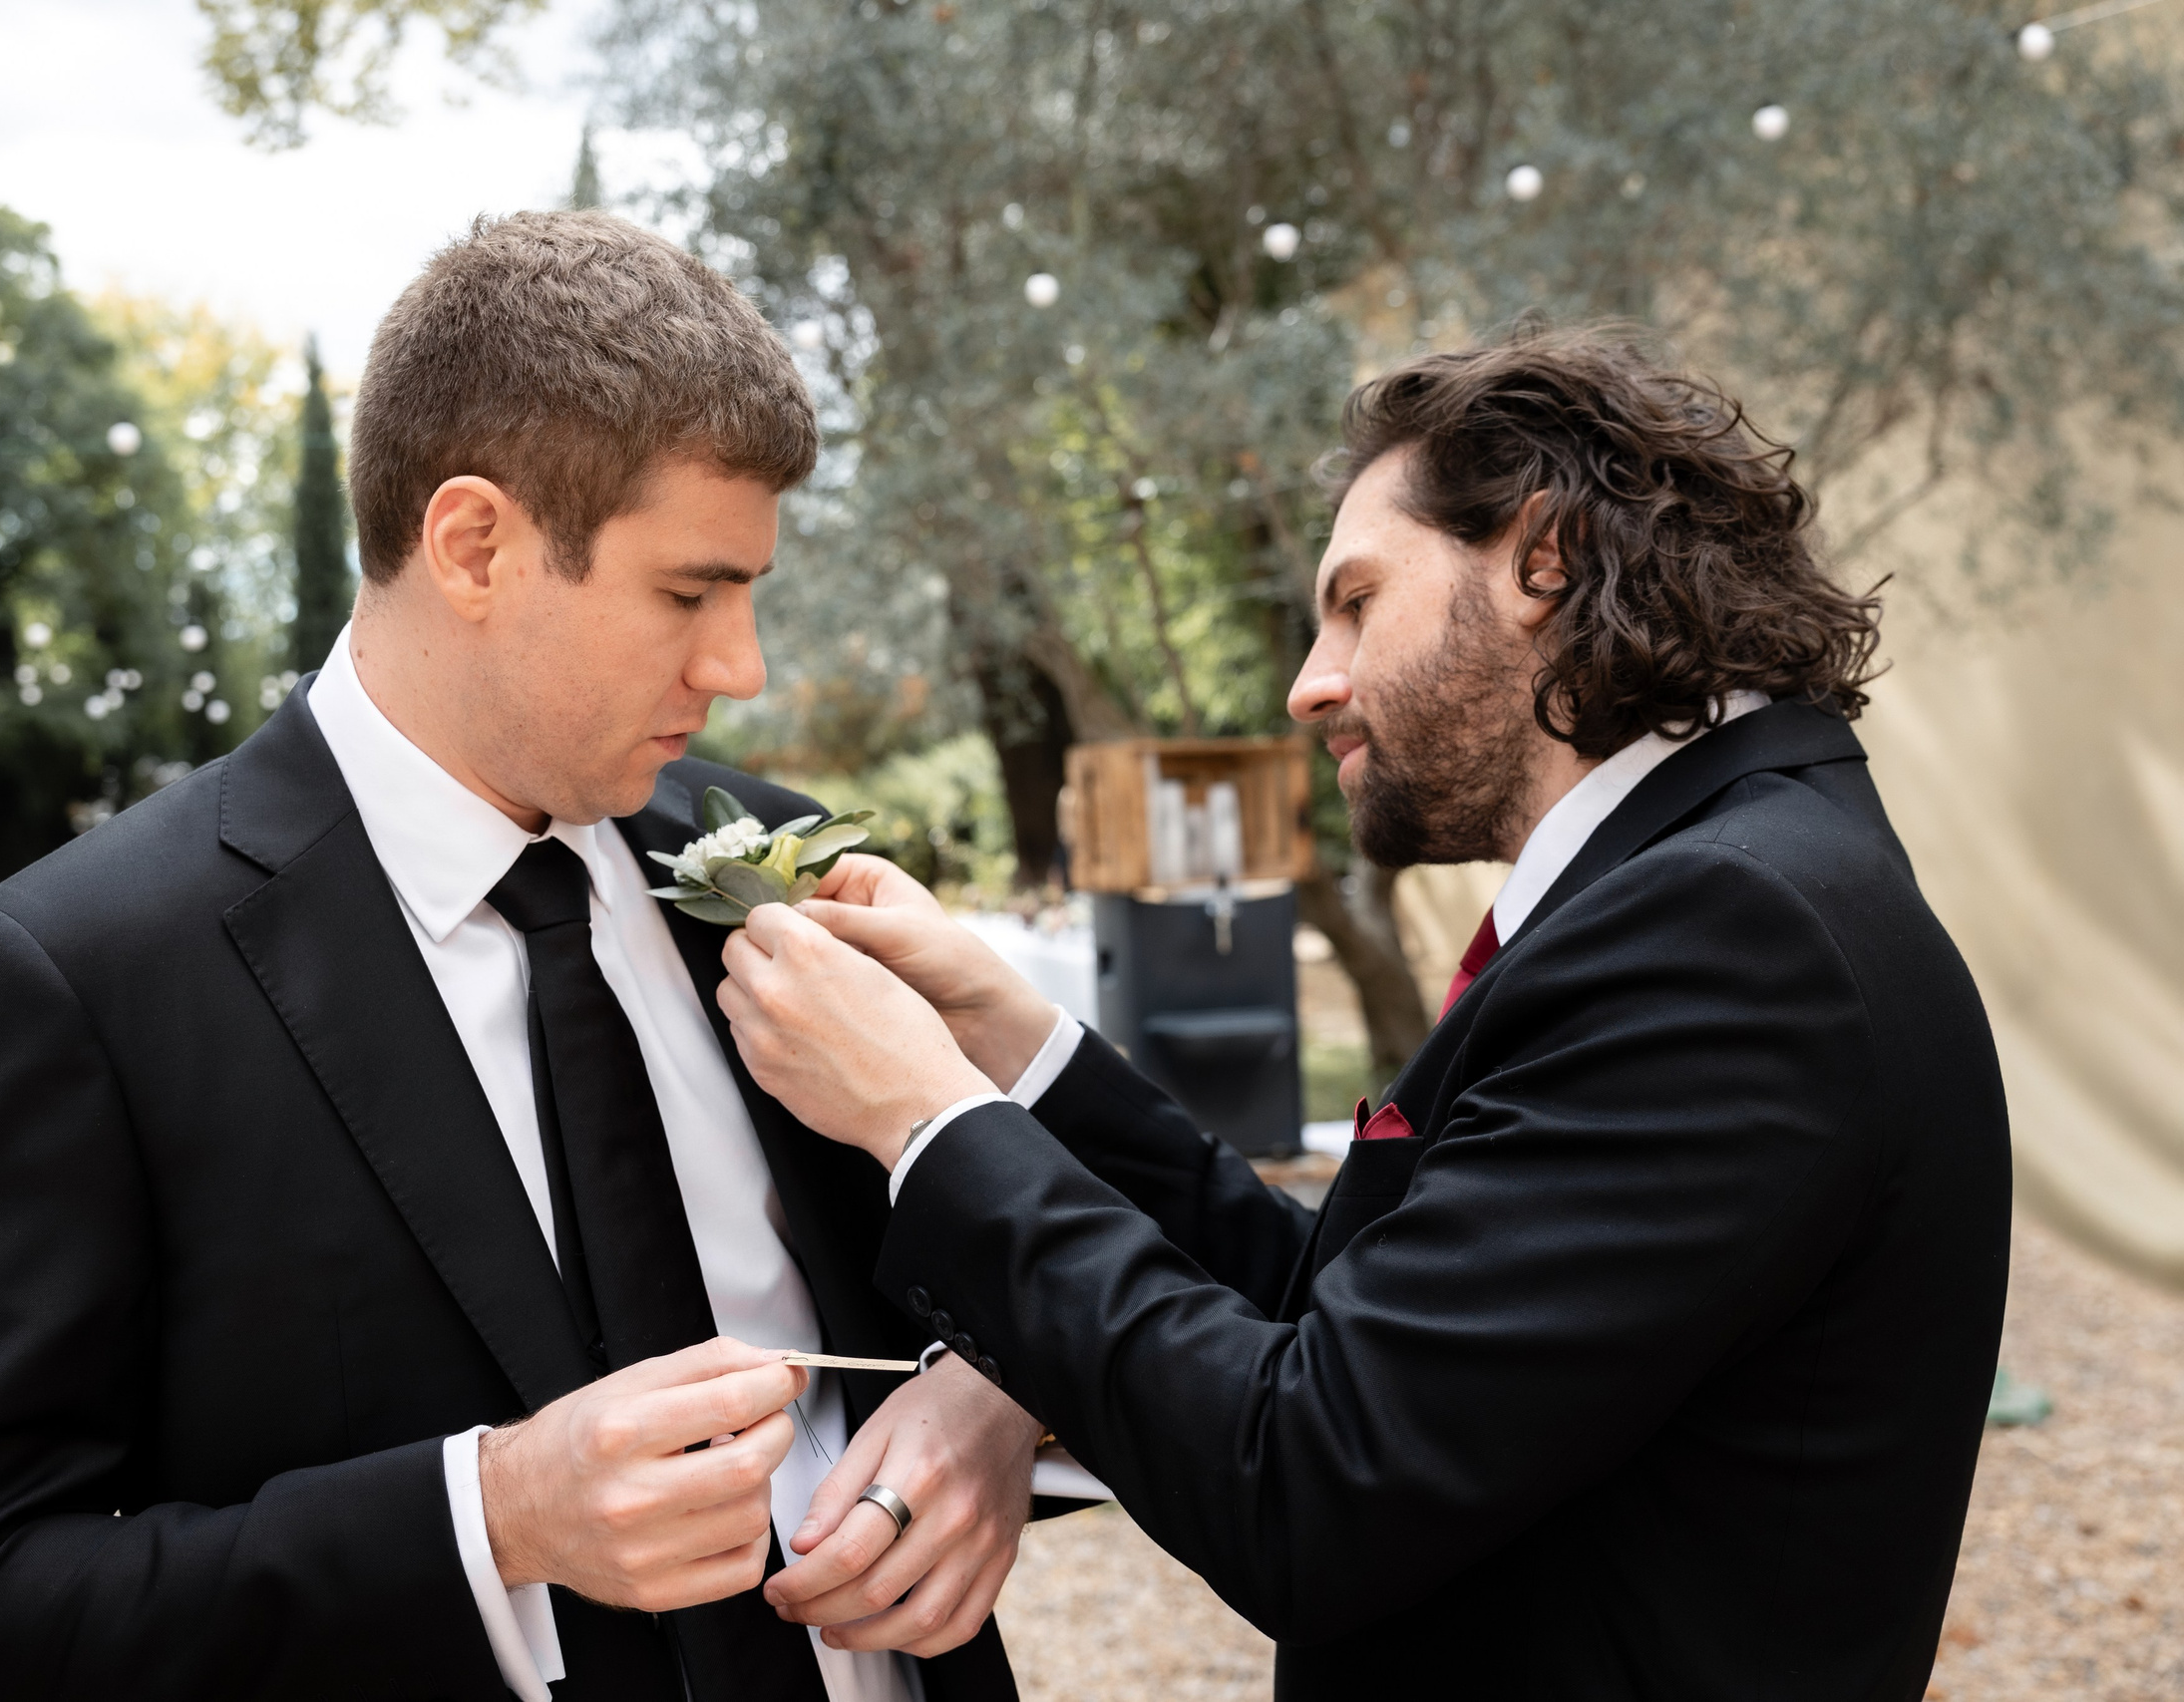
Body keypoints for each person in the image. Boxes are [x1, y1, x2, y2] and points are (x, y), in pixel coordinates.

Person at [0, 211, 1049, 1702]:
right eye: (690, 592)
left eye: (751, 594)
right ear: (474, 545)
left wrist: (993, 1405)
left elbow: (987, 1277)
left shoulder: (767, 871)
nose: (741, 668)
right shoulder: (78, 979)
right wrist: (490, 1520)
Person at [717, 327, 2011, 1700]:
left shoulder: (1732, 938)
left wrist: (926, 1117)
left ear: (1543, 558)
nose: (1308, 683)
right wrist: (1014, 1042)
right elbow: (1361, 1319)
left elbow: (1314, 1481)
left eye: (1355, 602)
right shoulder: (1718, 879)